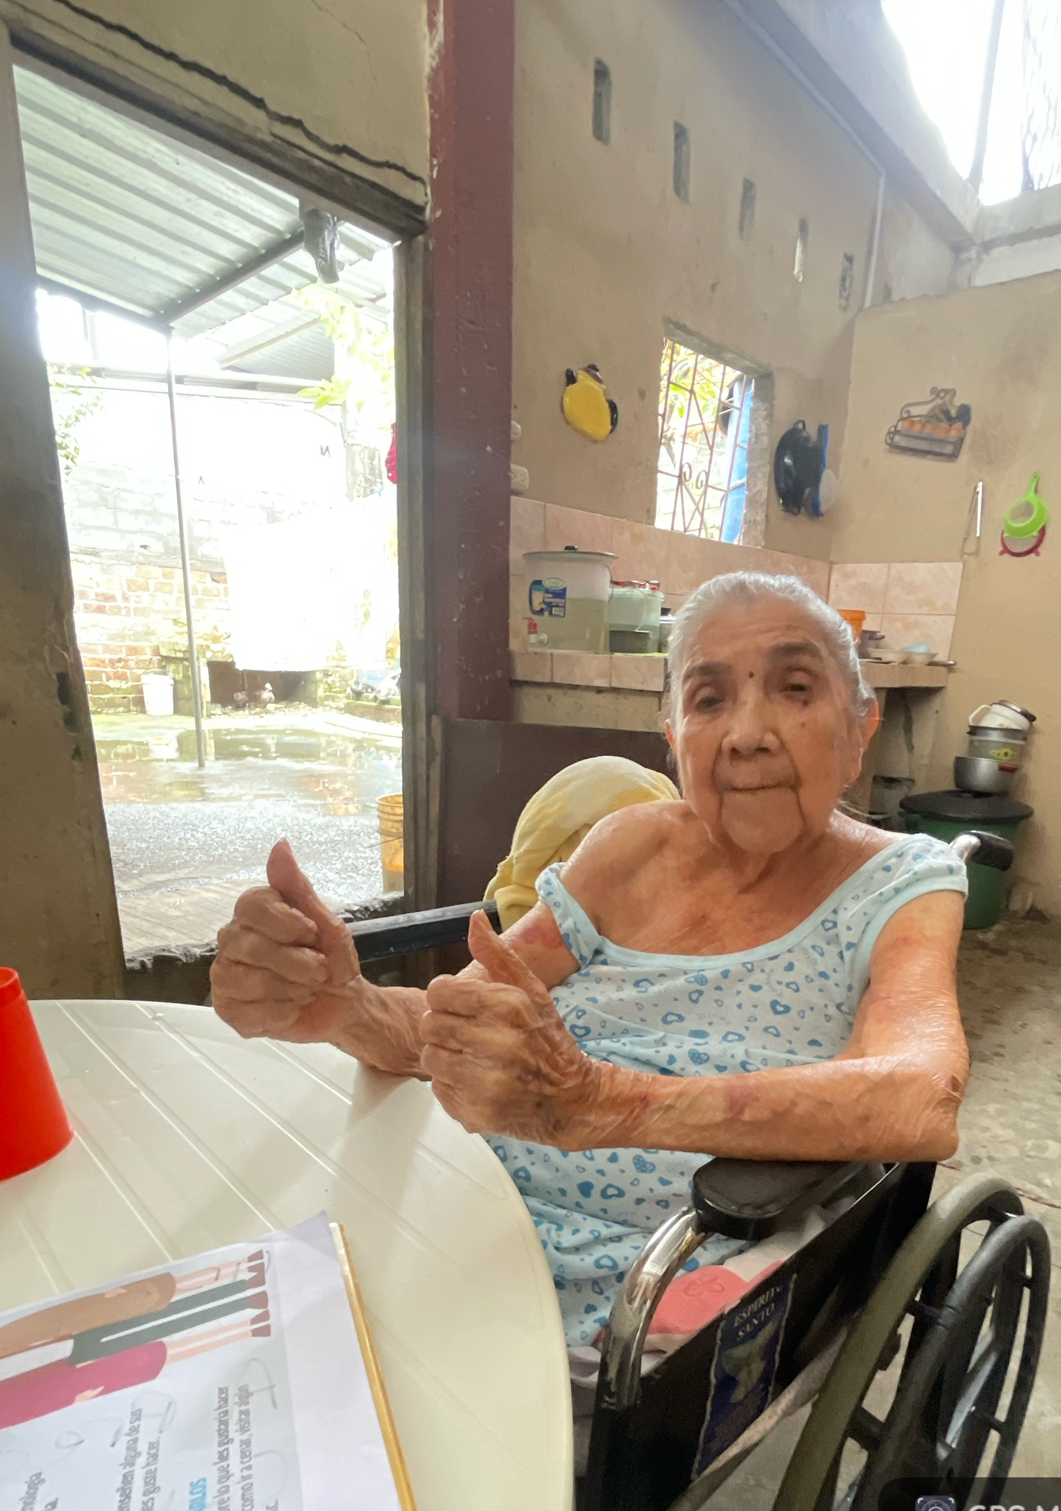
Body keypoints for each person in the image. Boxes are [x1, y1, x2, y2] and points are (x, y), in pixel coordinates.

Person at [210, 573, 969, 1354]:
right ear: (675, 737)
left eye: (796, 688)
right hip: (463, 1202)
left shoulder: (900, 881)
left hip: (647, 1283)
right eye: (709, 699)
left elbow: (921, 1097)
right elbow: (453, 1026)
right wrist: (346, 1005)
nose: (747, 733)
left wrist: (596, 1103)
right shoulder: (628, 847)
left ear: (860, 726)